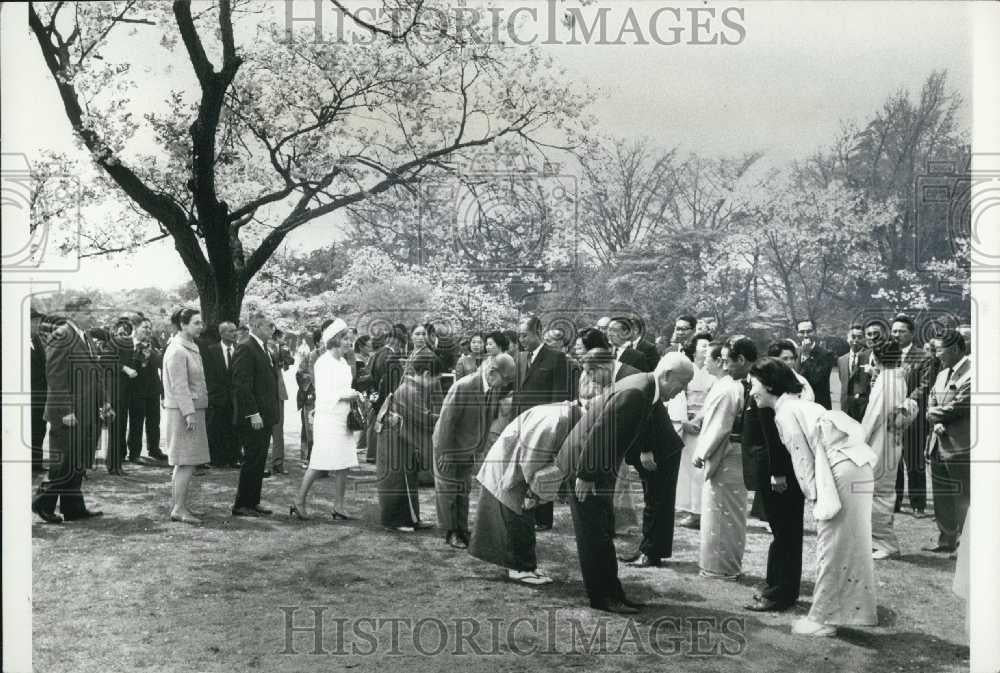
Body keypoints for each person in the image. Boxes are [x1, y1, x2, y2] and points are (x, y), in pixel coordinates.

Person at [749, 357, 878, 637]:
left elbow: (803, 463)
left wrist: (816, 500)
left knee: (831, 546)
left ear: (769, 385)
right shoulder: (796, 405)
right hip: (854, 467)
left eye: (754, 385)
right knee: (846, 545)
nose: (751, 392)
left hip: (841, 471)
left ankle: (823, 619)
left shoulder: (785, 412)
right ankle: (845, 613)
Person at [557, 352, 693, 613]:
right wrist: (586, 475)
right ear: (667, 376)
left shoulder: (646, 387)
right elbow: (601, 433)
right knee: (594, 533)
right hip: (586, 464)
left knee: (603, 529)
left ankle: (613, 592)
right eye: (682, 384)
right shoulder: (638, 392)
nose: (681, 392)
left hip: (594, 463)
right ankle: (602, 597)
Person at [470, 364, 603, 585]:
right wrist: (533, 492)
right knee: (515, 516)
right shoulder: (557, 420)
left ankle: (526, 565)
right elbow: (532, 458)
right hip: (510, 468)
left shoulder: (570, 414)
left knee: (522, 517)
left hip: (515, 464)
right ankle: (519, 569)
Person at [433, 353, 517, 549]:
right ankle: (450, 532)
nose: (504, 386)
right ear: (492, 372)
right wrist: (445, 452)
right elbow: (446, 421)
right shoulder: (464, 386)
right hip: (449, 446)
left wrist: (479, 449)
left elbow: (487, 419)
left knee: (463, 490)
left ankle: (461, 529)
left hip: (468, 448)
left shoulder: (492, 388)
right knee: (448, 492)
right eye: (504, 381)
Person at [32, 315, 111, 523]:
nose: (92, 314)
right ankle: (42, 503)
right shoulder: (62, 335)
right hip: (68, 412)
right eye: (86, 310)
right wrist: (64, 410)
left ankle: (73, 508)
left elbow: (97, 372)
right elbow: (55, 375)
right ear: (74, 313)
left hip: (87, 409)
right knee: (63, 460)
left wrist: (105, 402)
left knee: (78, 460)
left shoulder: (86, 337)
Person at [692, 337, 754, 580]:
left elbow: (719, 427)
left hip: (727, 455)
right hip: (733, 454)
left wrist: (701, 453)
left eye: (727, 360)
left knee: (722, 513)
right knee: (728, 513)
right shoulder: (732, 385)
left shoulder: (729, 388)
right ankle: (724, 565)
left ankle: (720, 567)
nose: (725, 365)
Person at [290, 319, 361, 520]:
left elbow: (344, 387)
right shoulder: (324, 362)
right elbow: (324, 392)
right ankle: (299, 501)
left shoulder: (344, 363)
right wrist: (345, 395)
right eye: (346, 339)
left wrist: (351, 393)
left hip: (343, 417)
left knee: (344, 461)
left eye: (351, 339)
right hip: (329, 418)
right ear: (335, 340)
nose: (350, 343)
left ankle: (338, 505)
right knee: (319, 461)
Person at [514, 316, 573, 531]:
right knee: (523, 468)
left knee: (541, 469)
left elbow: (559, 397)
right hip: (521, 422)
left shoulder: (557, 358)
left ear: (537, 333)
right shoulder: (520, 358)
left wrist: (554, 428)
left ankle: (543, 518)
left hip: (543, 425)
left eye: (524, 335)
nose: (521, 340)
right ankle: (524, 509)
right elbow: (517, 394)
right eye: (519, 336)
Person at [860, 339, 916, 560]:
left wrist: (859, 441)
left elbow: (873, 416)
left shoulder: (886, 381)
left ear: (876, 357)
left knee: (877, 491)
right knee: (881, 490)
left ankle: (886, 543)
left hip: (880, 441)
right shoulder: (898, 378)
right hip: (891, 439)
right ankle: (878, 539)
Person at [375, 351, 441, 531]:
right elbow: (424, 418)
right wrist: (447, 417)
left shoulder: (410, 387)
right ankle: (397, 521)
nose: (435, 383)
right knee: (398, 478)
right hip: (394, 438)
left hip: (399, 435)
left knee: (407, 477)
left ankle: (410, 518)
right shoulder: (410, 390)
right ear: (426, 374)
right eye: (435, 379)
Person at [922, 331, 971, 554]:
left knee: (961, 497)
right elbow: (932, 398)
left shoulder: (973, 373)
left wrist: (936, 415)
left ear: (954, 349)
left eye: (940, 349)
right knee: (941, 494)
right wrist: (936, 422)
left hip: (959, 446)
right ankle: (946, 540)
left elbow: (961, 405)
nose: (937, 353)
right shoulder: (942, 374)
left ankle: (964, 545)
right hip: (938, 442)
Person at [162, 308, 211, 524]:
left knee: (187, 462)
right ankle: (179, 509)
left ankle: (180, 506)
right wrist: (189, 413)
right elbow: (179, 386)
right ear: (183, 324)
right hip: (183, 412)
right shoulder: (177, 350)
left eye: (201, 322)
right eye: (196, 323)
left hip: (191, 409)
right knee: (184, 462)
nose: (201, 326)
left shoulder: (190, 346)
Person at [231, 312, 280, 518]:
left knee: (259, 459)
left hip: (266, 414)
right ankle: (242, 504)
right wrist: (253, 413)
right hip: (255, 415)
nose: (273, 329)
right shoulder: (246, 346)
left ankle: (253, 501)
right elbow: (241, 384)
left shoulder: (262, 347)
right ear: (258, 326)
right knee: (252, 458)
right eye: (270, 325)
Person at [891, 315, 936, 517]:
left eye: (901, 331)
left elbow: (926, 385)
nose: (896, 335)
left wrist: (907, 403)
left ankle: (918, 504)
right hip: (891, 417)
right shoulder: (889, 356)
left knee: (914, 461)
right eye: (894, 331)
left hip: (913, 418)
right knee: (894, 461)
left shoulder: (923, 357)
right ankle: (896, 501)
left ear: (911, 333)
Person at [676, 333, 718, 530]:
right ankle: (691, 510)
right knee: (687, 469)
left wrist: (699, 419)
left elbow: (713, 400)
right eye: (703, 345)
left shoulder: (714, 372)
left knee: (701, 469)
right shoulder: (686, 369)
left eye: (709, 345)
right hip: (686, 422)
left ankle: (701, 512)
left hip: (704, 422)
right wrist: (684, 421)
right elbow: (677, 396)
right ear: (693, 349)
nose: (706, 348)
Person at [365, 325, 407, 464]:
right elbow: (391, 380)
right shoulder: (391, 356)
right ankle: (378, 456)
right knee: (383, 426)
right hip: (386, 395)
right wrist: (391, 396)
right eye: (400, 342)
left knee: (374, 424)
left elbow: (370, 374)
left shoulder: (378, 353)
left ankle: (371, 455)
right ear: (397, 341)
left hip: (375, 392)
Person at [127, 318, 166, 464]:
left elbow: (161, 363)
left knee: (154, 421)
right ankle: (134, 453)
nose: (148, 330)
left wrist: (152, 354)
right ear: (136, 329)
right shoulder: (129, 344)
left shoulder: (153, 343)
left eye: (150, 328)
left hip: (153, 388)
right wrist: (142, 355)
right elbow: (128, 363)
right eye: (144, 328)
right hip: (136, 388)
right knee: (137, 421)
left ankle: (154, 449)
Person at [101, 316, 136, 476]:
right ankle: (113, 465)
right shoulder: (111, 343)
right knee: (115, 428)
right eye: (121, 330)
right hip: (113, 389)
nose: (124, 333)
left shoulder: (128, 345)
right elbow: (107, 360)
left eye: (127, 330)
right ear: (115, 331)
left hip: (125, 390)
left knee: (120, 428)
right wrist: (124, 368)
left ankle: (116, 464)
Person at [202, 321, 240, 468]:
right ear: (222, 333)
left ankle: (234, 457)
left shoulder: (239, 350)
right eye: (230, 331)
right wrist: (214, 395)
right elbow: (208, 375)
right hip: (217, 397)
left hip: (235, 397)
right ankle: (217, 458)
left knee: (234, 428)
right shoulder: (211, 350)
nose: (234, 334)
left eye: (235, 331)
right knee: (216, 427)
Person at [267, 329, 294, 476]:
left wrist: (284, 351)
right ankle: (273, 463)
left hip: (277, 392)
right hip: (265, 392)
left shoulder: (280, 347)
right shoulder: (261, 347)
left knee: (278, 430)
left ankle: (278, 463)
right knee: (269, 430)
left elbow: (289, 362)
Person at [796, 320, 835, 409]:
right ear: (797, 334)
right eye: (802, 332)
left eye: (809, 331)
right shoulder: (795, 352)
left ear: (815, 332)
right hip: (798, 404)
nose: (805, 335)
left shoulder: (826, 354)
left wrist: (806, 355)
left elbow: (815, 380)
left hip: (818, 404)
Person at [836, 324, 872, 422]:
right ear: (847, 338)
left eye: (859, 337)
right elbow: (843, 380)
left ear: (864, 338)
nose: (855, 340)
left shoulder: (871, 356)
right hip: (846, 406)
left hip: (865, 407)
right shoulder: (841, 360)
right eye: (853, 337)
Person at [30, 308, 49, 473]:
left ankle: (36, 463)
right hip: (29, 395)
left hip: (41, 395)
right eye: (33, 321)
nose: (37, 324)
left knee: (39, 429)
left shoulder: (37, 339)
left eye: (37, 321)